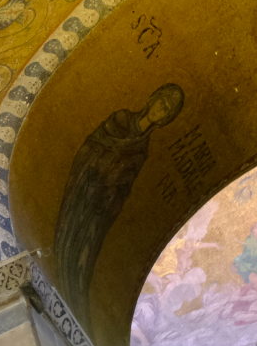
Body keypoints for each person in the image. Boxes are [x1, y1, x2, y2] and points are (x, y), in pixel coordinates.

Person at [52, 84, 185, 302]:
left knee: (88, 246)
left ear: (165, 119)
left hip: (102, 204)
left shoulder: (143, 148)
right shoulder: (121, 119)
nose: (160, 110)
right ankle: (60, 269)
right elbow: (92, 146)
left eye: (166, 110)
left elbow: (126, 182)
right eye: (161, 103)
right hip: (85, 190)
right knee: (71, 232)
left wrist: (112, 192)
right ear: (152, 99)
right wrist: (96, 171)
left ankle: (75, 289)